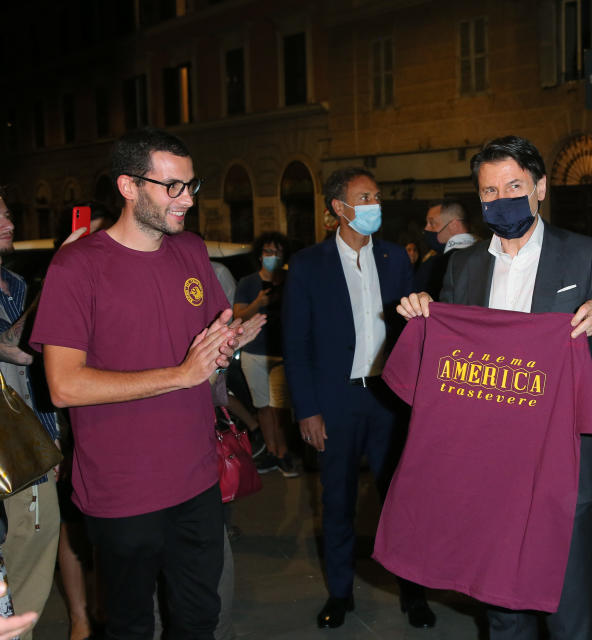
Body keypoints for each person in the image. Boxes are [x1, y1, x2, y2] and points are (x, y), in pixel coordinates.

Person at [397, 135, 592, 640]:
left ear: (540, 188)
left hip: (562, 464)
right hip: (489, 468)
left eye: (513, 185)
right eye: (489, 191)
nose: (501, 198)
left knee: (567, 610)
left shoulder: (585, 255)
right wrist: (423, 318)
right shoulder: (463, 266)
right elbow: (448, 371)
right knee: (503, 610)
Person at [29, 127, 264, 639]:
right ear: (129, 187)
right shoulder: (77, 267)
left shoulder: (191, 251)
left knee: (200, 619)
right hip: (123, 490)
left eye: (190, 186)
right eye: (171, 186)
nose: (186, 200)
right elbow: (63, 386)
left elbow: (203, 353)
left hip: (198, 479)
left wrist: (226, 346)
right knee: (131, 626)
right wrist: (181, 375)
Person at [283, 167, 434, 630]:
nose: (375, 204)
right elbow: (296, 342)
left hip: (389, 400)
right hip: (337, 402)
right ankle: (341, 593)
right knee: (339, 500)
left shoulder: (394, 259)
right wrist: (307, 409)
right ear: (339, 209)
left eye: (377, 195)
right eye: (365, 197)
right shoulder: (308, 265)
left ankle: (414, 592)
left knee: (402, 498)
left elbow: (413, 330)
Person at [0, 180, 61, 640]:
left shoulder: (14, 284)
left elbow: (36, 361)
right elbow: (10, 348)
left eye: (7, 215)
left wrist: (49, 439)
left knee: (34, 551)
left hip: (25, 445)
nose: (8, 223)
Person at [233, 232, 298, 477]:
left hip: (282, 353)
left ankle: (283, 452)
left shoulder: (292, 279)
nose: (272, 257)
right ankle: (272, 451)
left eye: (277, 252)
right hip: (254, 353)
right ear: (260, 255)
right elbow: (238, 316)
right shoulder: (248, 283)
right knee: (263, 406)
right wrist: (259, 302)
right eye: (268, 252)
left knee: (280, 407)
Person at [413, 199, 478, 297]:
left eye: (432, 223)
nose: (426, 229)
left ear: (454, 226)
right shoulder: (489, 255)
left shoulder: (433, 266)